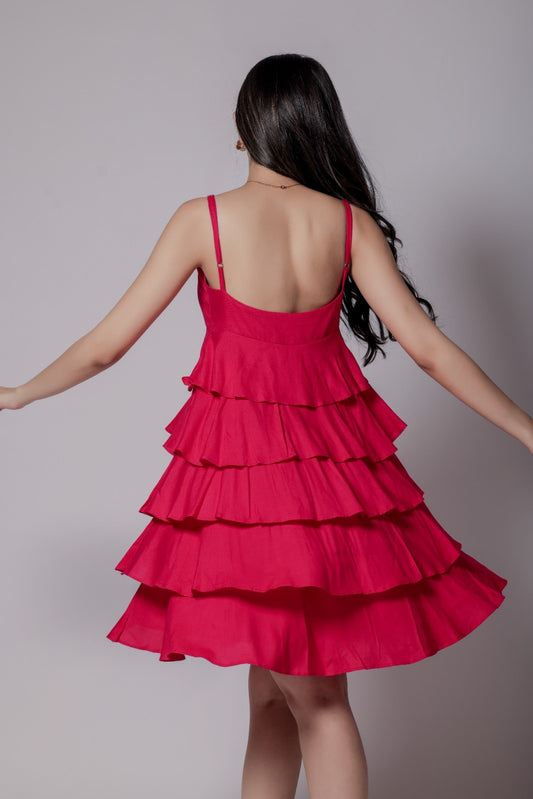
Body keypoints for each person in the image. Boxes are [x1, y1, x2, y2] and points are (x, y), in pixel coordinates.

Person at [1, 53, 531, 799]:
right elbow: (429, 350)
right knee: (272, 699)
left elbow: (104, 346)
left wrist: (21, 392)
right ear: (318, 125)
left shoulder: (204, 220)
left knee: (316, 701)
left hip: (246, 494)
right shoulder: (345, 224)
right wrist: (527, 430)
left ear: (241, 128)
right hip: (332, 489)